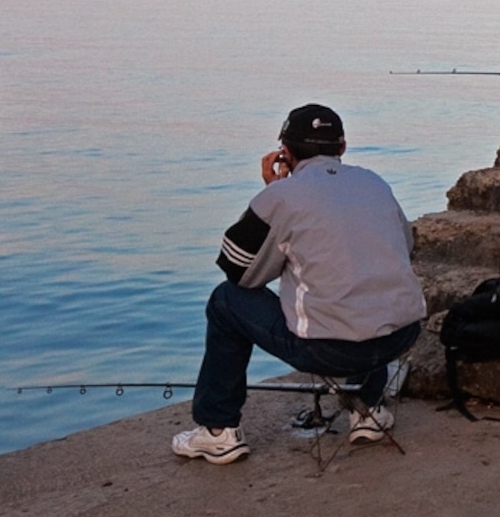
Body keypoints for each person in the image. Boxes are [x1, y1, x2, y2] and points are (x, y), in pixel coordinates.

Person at [171, 104, 425, 465]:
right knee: (362, 283)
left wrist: (271, 199)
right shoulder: (375, 183)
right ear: (342, 147)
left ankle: (218, 431)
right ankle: (367, 410)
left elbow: (238, 272)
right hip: (399, 337)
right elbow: (407, 245)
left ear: (285, 154)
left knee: (225, 301)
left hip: (330, 351)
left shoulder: (281, 197)